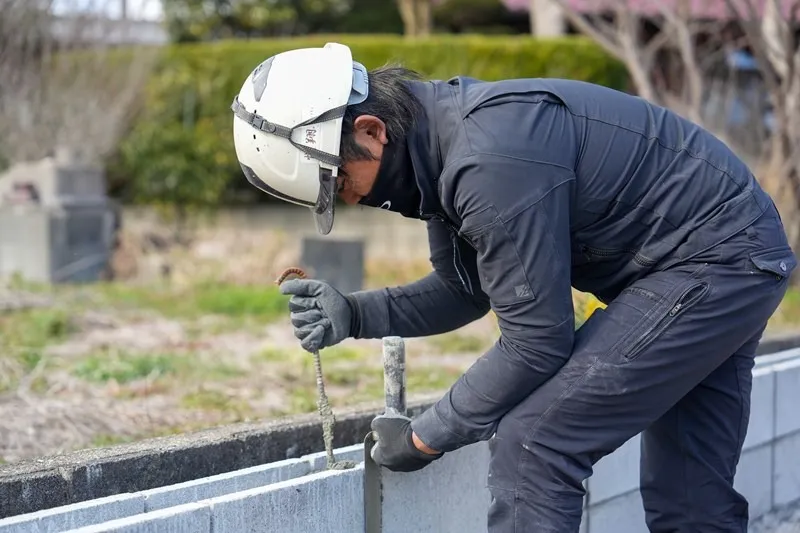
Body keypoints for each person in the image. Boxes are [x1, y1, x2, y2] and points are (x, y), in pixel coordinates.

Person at [230, 42, 797, 532]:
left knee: (535, 444)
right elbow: (465, 289)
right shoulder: (438, 148)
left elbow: (536, 344)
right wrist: (355, 314)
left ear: (371, 131)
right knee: (690, 497)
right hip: (732, 253)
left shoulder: (485, 162)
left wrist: (425, 437)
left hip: (714, 259)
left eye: (339, 183)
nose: (351, 201)